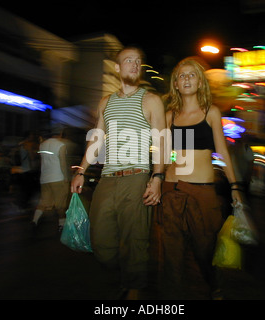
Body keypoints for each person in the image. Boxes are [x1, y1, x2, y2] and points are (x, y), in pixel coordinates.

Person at [70, 46, 166, 300]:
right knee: (101, 243)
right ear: (117, 67)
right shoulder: (106, 102)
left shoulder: (151, 100)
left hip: (137, 177)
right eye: (128, 61)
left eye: (138, 61)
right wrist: (81, 170)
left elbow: (162, 140)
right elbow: (97, 139)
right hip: (107, 179)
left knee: (136, 241)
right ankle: (125, 274)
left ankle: (133, 290)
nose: (134, 65)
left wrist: (157, 178)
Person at [152, 57, 243, 299]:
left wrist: (235, 187)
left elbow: (223, 152)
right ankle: (173, 297)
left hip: (202, 192)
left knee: (204, 249)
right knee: (171, 251)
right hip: (172, 189)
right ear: (176, 85)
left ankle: (212, 284)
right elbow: (162, 151)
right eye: (182, 76)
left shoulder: (211, 113)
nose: (187, 79)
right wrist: (157, 178)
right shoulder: (170, 116)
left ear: (200, 82)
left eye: (192, 75)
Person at [31, 127, 70, 232]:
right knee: (60, 204)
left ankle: (35, 220)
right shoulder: (61, 145)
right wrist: (66, 177)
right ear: (60, 133)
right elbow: (62, 162)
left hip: (44, 178)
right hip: (58, 178)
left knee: (43, 202)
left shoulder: (42, 144)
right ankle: (61, 224)